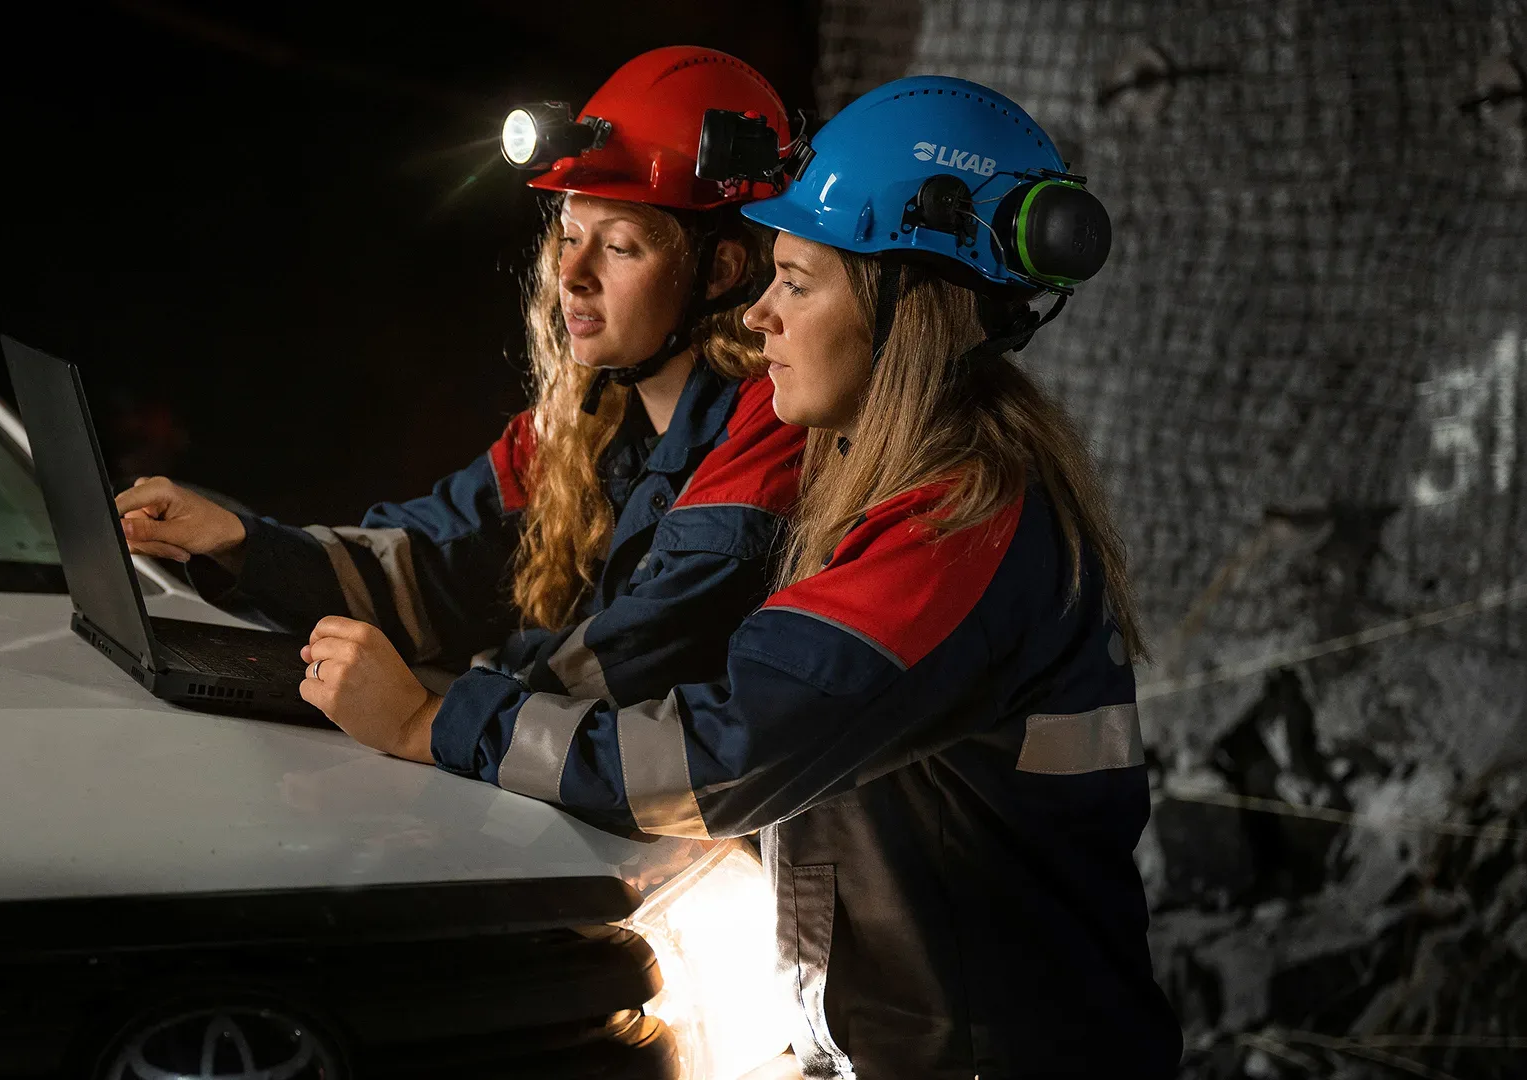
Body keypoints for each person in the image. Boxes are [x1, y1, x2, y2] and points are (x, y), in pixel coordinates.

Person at [304, 76, 1182, 1078]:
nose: (759, 315)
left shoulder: (962, 522)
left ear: (911, 313)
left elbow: (721, 753)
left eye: (799, 283)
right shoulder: (899, 489)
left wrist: (432, 722)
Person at [117, 47, 804, 723]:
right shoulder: (579, 424)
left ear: (719, 271)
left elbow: (632, 659)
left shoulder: (769, 433)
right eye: (568, 236)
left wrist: (436, 706)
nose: (573, 274)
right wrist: (238, 543)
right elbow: (429, 566)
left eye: (619, 246)